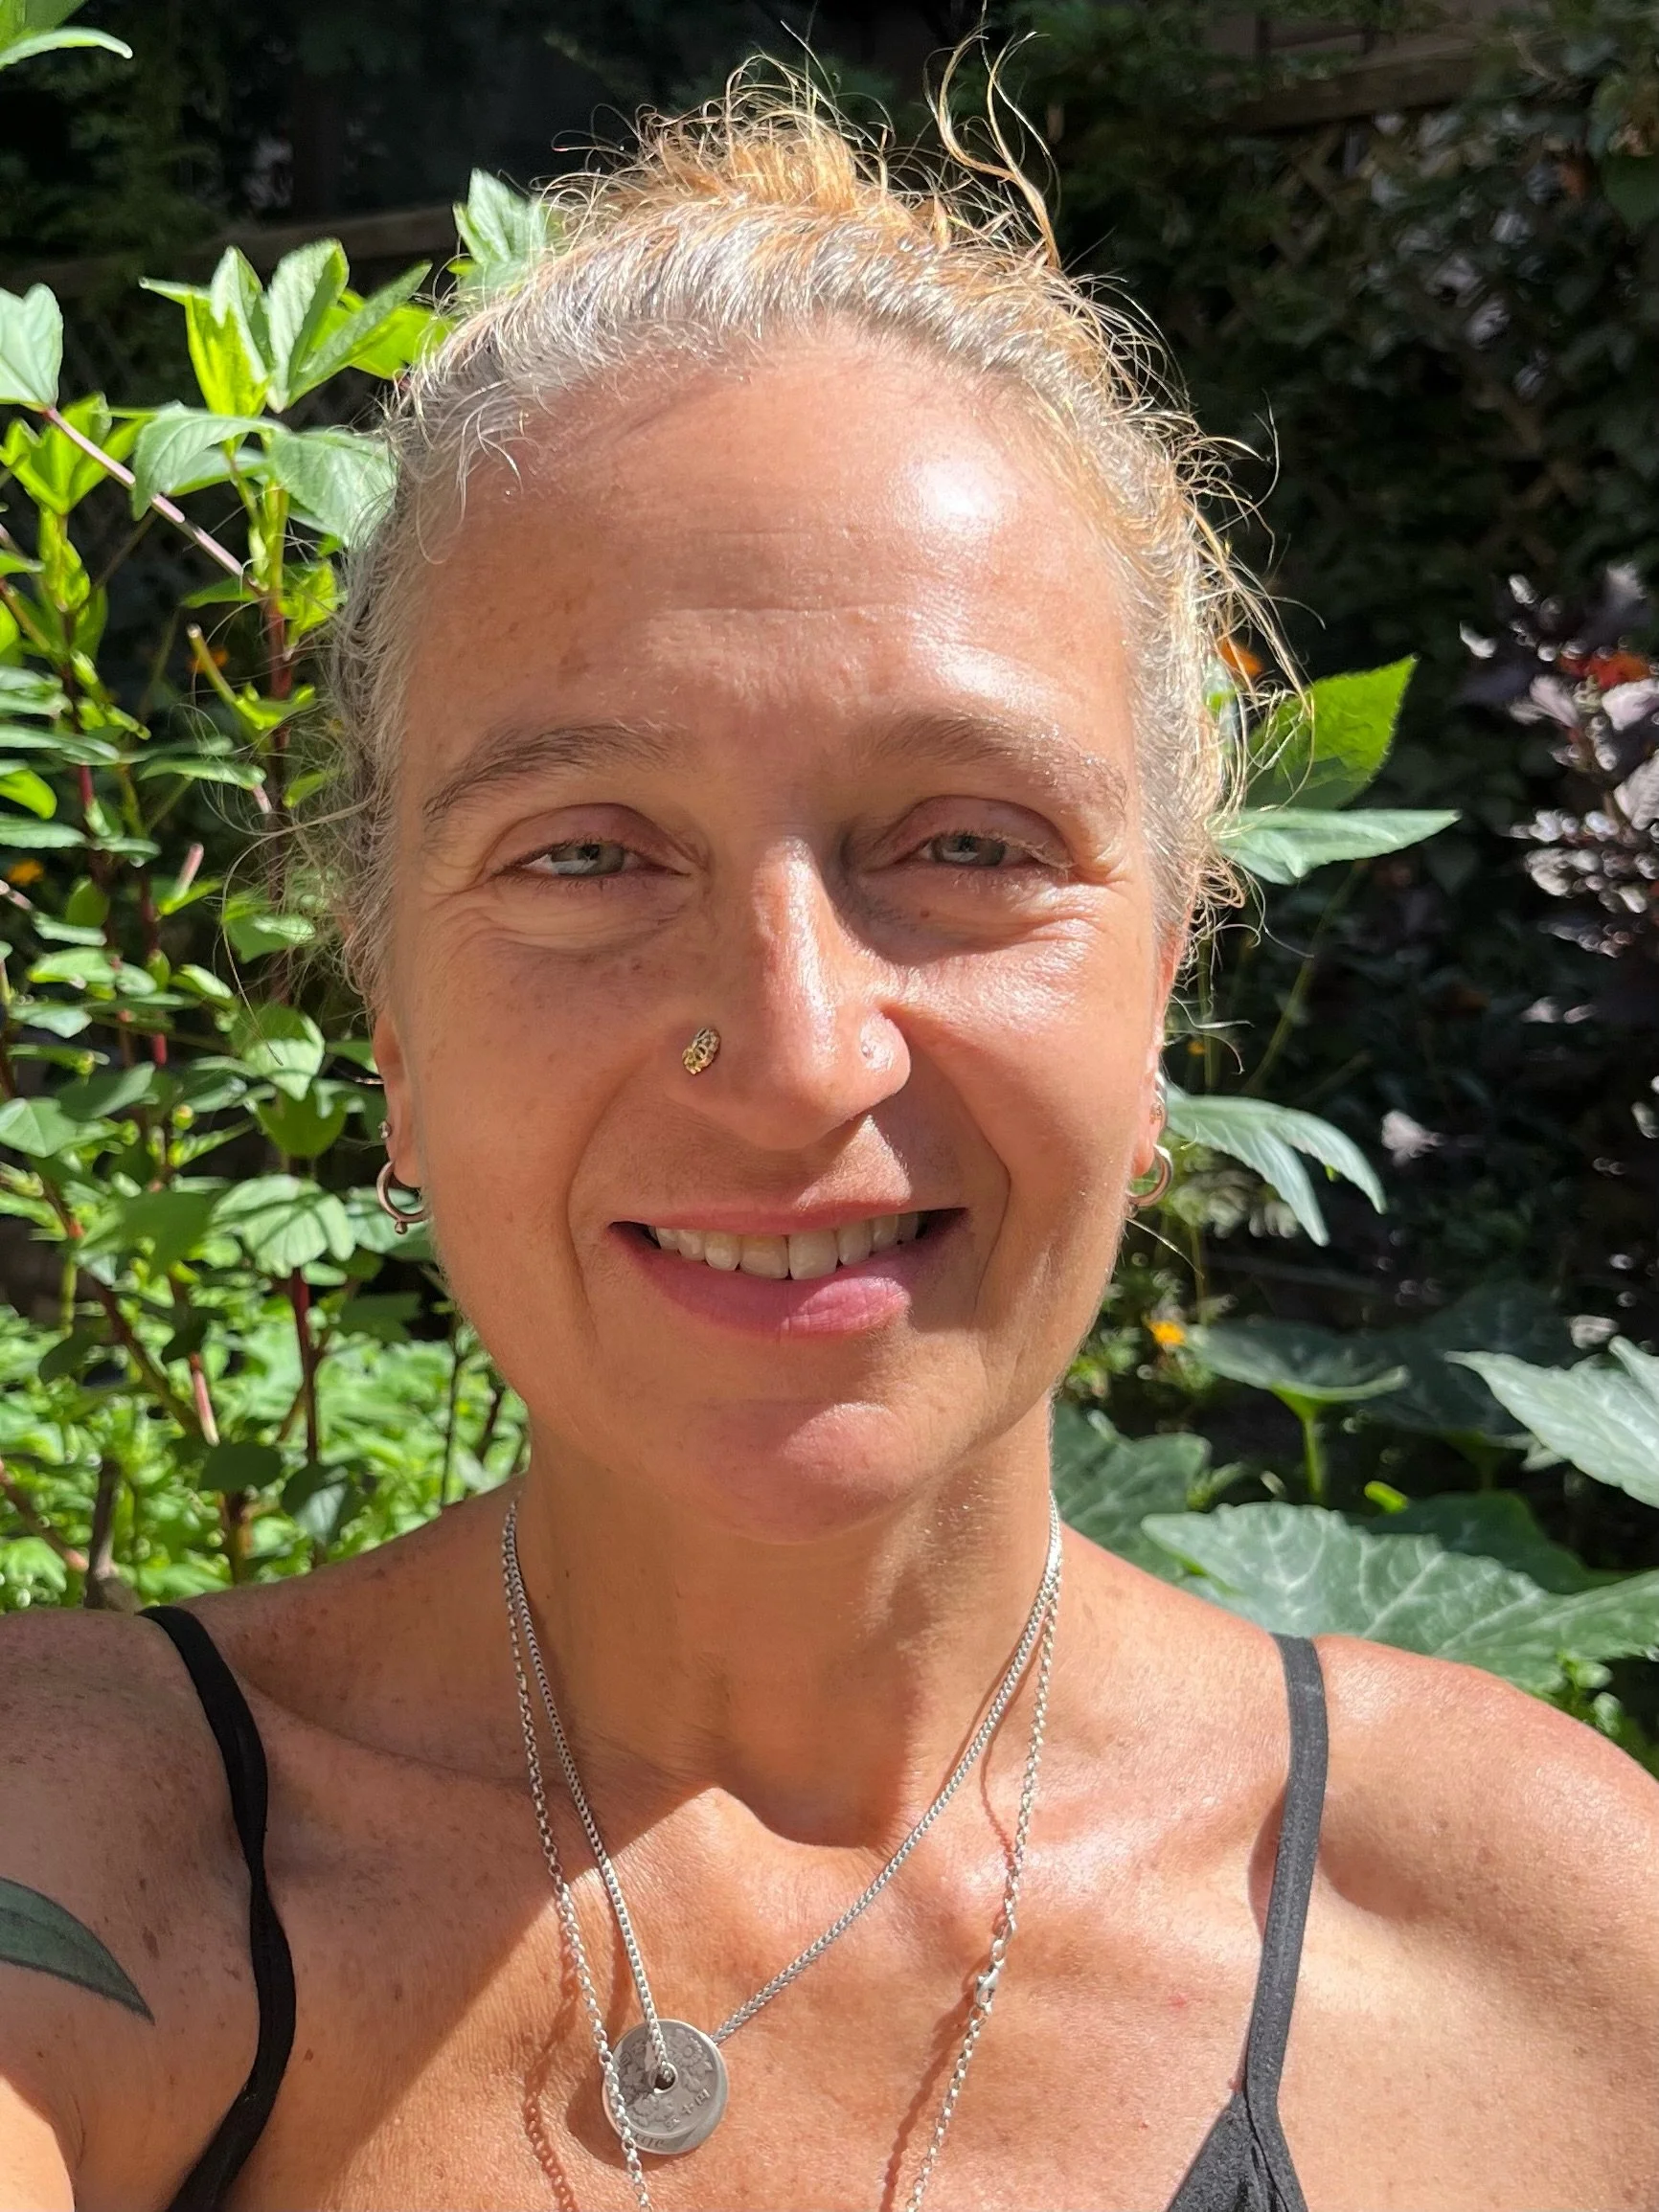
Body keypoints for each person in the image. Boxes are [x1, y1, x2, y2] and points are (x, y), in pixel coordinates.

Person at [3, 76, 1658, 2212]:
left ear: (1165, 989)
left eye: (967, 844)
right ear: (390, 1021)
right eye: (584, 853)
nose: (794, 1059)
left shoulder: (1554, 1956)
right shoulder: (79, 1855)